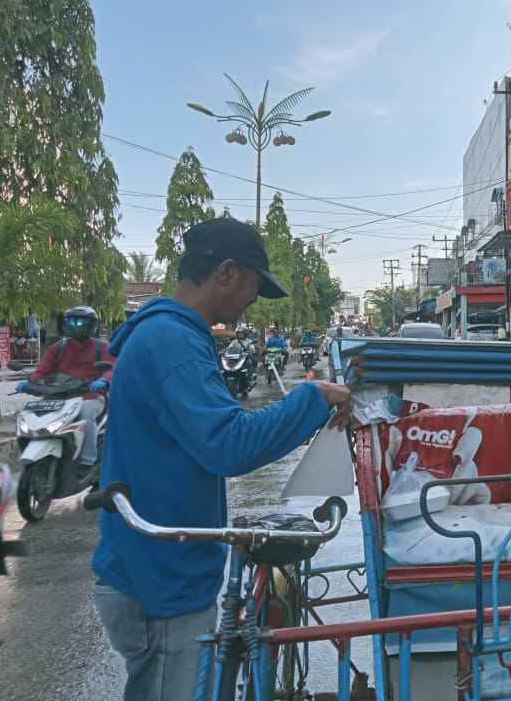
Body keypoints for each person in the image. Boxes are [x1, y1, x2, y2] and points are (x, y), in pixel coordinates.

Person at [91, 217, 353, 701]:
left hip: (150, 565)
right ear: (227, 272)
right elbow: (229, 443)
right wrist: (311, 397)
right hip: (160, 580)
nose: (250, 303)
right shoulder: (173, 343)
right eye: (253, 288)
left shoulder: (167, 334)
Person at [18, 305, 114, 481]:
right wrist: (29, 382)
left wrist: (103, 381)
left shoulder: (102, 347)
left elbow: (111, 368)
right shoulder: (58, 348)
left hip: (90, 396)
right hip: (62, 398)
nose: (77, 326)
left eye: (82, 322)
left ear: (92, 325)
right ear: (66, 324)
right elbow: (42, 371)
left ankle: (87, 461)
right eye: (73, 321)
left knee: (86, 416)